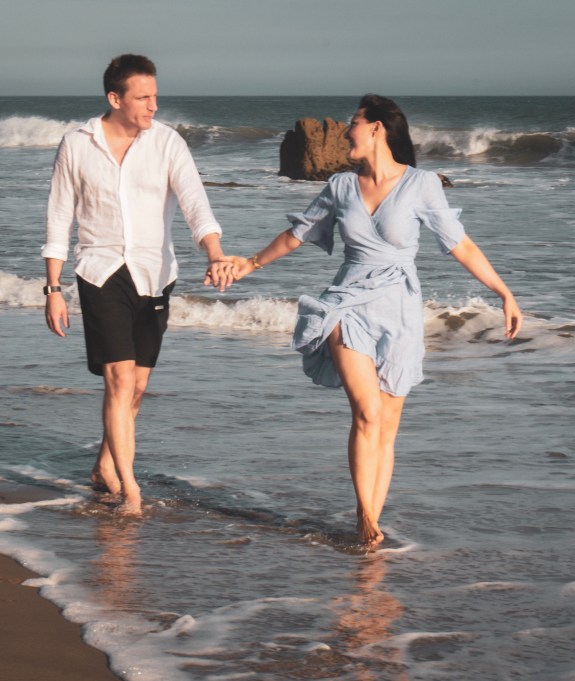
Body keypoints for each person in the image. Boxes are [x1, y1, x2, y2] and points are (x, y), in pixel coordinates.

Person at [214, 94, 522, 545]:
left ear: (377, 128)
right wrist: (249, 263)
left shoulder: (421, 184)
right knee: (366, 411)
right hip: (348, 303)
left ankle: (371, 526)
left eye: (352, 123)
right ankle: (363, 516)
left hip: (399, 309)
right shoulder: (340, 186)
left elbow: (462, 245)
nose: (344, 131)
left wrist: (504, 293)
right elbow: (296, 235)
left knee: (388, 425)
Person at [42, 54, 235, 514]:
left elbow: (195, 204)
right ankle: (130, 489)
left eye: (155, 95)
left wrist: (214, 253)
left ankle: (104, 466)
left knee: (138, 386)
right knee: (119, 379)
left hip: (154, 274)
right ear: (115, 98)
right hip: (100, 272)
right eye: (143, 97)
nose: (153, 105)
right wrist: (52, 289)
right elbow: (58, 216)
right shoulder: (77, 143)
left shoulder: (167, 143)